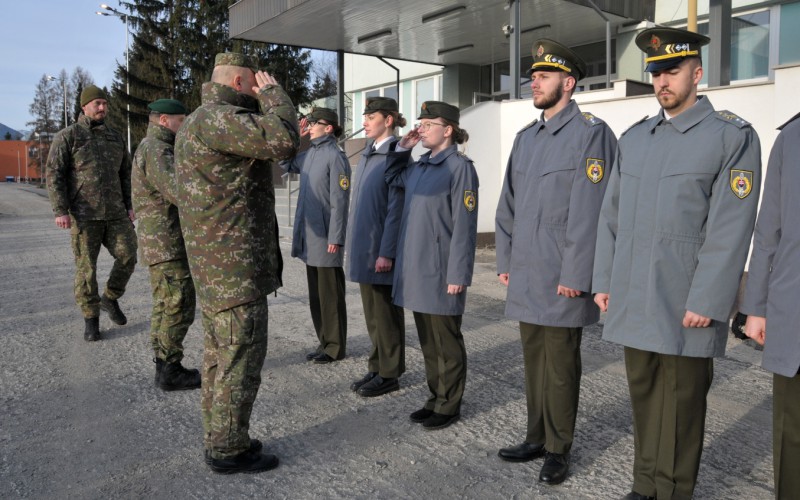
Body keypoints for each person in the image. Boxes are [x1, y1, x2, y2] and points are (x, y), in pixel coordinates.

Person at [592, 27, 761, 500]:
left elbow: (731, 228)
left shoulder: (731, 136)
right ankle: (644, 485)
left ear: (697, 72)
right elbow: (612, 216)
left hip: (685, 298)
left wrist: (710, 298)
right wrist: (604, 279)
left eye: (673, 70)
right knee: (644, 397)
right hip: (633, 293)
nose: (662, 81)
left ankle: (671, 492)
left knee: (682, 407)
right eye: (656, 72)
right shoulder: (636, 138)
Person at [495, 39, 617, 485]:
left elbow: (593, 211)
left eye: (543, 76)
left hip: (563, 275)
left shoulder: (591, 132)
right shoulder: (527, 138)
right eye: (534, 75)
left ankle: (559, 447)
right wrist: (505, 258)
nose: (534, 81)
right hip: (527, 272)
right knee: (534, 362)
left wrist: (578, 274)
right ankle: (535, 435)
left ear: (568, 82)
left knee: (562, 367)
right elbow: (507, 203)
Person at [174, 52, 299, 474]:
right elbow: (283, 139)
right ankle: (228, 448)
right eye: (257, 82)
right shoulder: (218, 118)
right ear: (243, 82)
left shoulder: (199, 120)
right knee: (238, 360)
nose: (261, 87)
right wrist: (276, 96)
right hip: (233, 269)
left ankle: (221, 436)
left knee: (219, 358)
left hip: (217, 267)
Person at [385, 101, 478, 430]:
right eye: (420, 123)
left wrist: (458, 273)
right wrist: (402, 148)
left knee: (446, 340)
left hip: (441, 269)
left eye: (428, 123)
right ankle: (435, 396)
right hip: (416, 267)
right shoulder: (420, 166)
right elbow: (392, 176)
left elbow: (464, 226)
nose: (421, 128)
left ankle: (450, 403)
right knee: (427, 339)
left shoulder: (459, 168)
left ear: (448, 130)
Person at [46, 84, 137, 342]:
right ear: (84, 106)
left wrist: (129, 205)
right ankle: (91, 318)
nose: (102, 107)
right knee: (87, 270)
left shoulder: (115, 137)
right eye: (97, 103)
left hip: (116, 213)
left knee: (129, 255)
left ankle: (110, 298)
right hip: (84, 214)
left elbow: (125, 174)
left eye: (105, 103)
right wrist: (60, 210)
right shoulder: (69, 136)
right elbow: (55, 174)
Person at [740, 111, 800, 500]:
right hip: (793, 310)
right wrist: (754, 306)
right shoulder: (792, 138)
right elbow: (768, 231)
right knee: (792, 432)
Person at [132, 98, 200, 391]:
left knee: (165, 304)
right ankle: (170, 370)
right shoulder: (158, 149)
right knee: (178, 303)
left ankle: (164, 365)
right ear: (164, 121)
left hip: (161, 242)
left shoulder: (153, 147)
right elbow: (179, 191)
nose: (183, 126)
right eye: (180, 121)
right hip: (167, 242)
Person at [345, 97, 406, 398]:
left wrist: (387, 251)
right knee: (372, 313)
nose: (365, 121)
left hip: (380, 249)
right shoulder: (369, 153)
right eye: (365, 115)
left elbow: (396, 209)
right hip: (364, 247)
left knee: (386, 314)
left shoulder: (396, 154)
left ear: (389, 120)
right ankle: (377, 365)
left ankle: (390, 372)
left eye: (371, 116)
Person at [280, 107, 351, 364]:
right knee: (316, 296)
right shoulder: (310, 153)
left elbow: (340, 202)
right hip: (310, 237)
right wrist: (297, 140)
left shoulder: (335, 157)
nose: (309, 125)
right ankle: (324, 342)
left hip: (326, 238)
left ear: (328, 127)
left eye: (313, 122)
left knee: (330, 296)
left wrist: (336, 237)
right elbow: (285, 164)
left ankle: (335, 347)